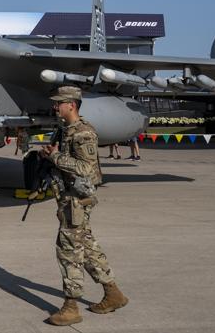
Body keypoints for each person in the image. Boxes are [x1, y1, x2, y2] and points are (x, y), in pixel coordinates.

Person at [40, 86, 128, 326]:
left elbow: (86, 169)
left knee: (67, 250)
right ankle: (113, 293)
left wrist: (55, 158)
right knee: (86, 246)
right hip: (69, 198)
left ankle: (71, 307)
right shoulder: (64, 130)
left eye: (59, 103)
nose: (55, 106)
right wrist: (49, 155)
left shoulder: (83, 132)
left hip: (78, 200)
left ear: (72, 105)